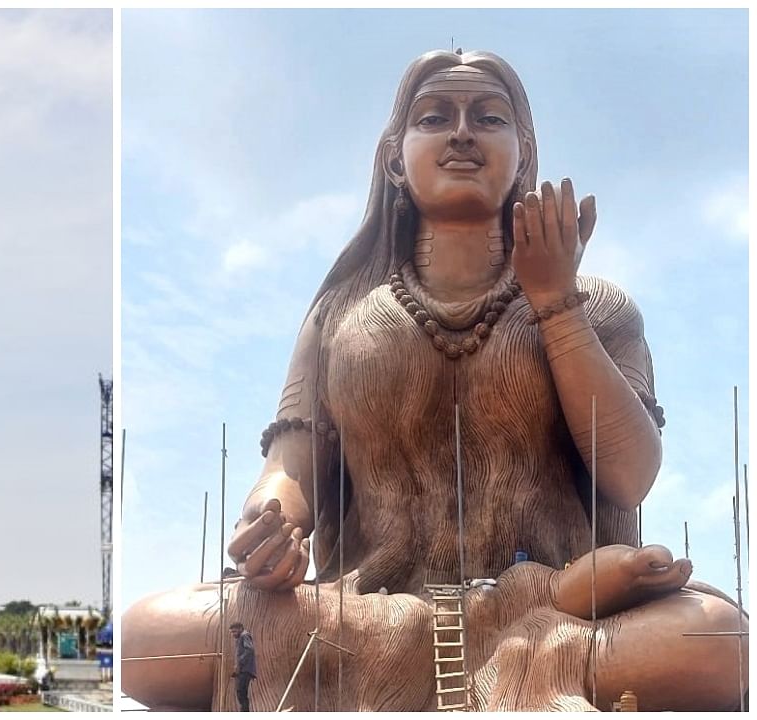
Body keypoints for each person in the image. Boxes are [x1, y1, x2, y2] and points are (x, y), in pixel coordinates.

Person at [122, 49, 748, 712]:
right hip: (368, 613)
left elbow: (630, 475)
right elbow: (292, 470)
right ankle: (464, 666)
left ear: (524, 151)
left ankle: (517, 653)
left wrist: (555, 304)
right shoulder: (339, 318)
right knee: (148, 638)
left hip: (556, 608)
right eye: (433, 117)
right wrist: (268, 523)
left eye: (488, 117)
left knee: (714, 639)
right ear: (395, 157)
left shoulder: (597, 305)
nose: (461, 133)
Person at [229, 622, 256, 712]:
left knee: (241, 693)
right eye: (232, 632)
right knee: (241, 693)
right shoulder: (241, 637)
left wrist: (240, 661)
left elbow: (250, 649)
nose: (233, 634)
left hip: (245, 670)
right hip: (242, 670)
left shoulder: (244, 635)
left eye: (235, 631)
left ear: (240, 628)